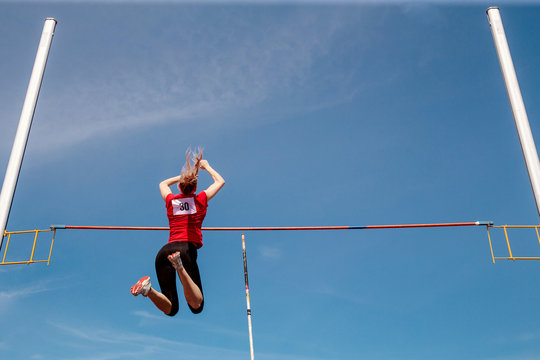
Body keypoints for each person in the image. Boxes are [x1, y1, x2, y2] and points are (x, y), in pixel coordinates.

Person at [130, 149, 225, 316]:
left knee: (171, 309)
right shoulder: (200, 199)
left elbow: (163, 184)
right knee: (197, 306)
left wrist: (181, 178)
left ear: (180, 186)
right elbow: (220, 181)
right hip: (185, 250)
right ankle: (179, 267)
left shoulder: (172, 201)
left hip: (164, 251)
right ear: (195, 187)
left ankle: (148, 289)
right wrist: (207, 167)